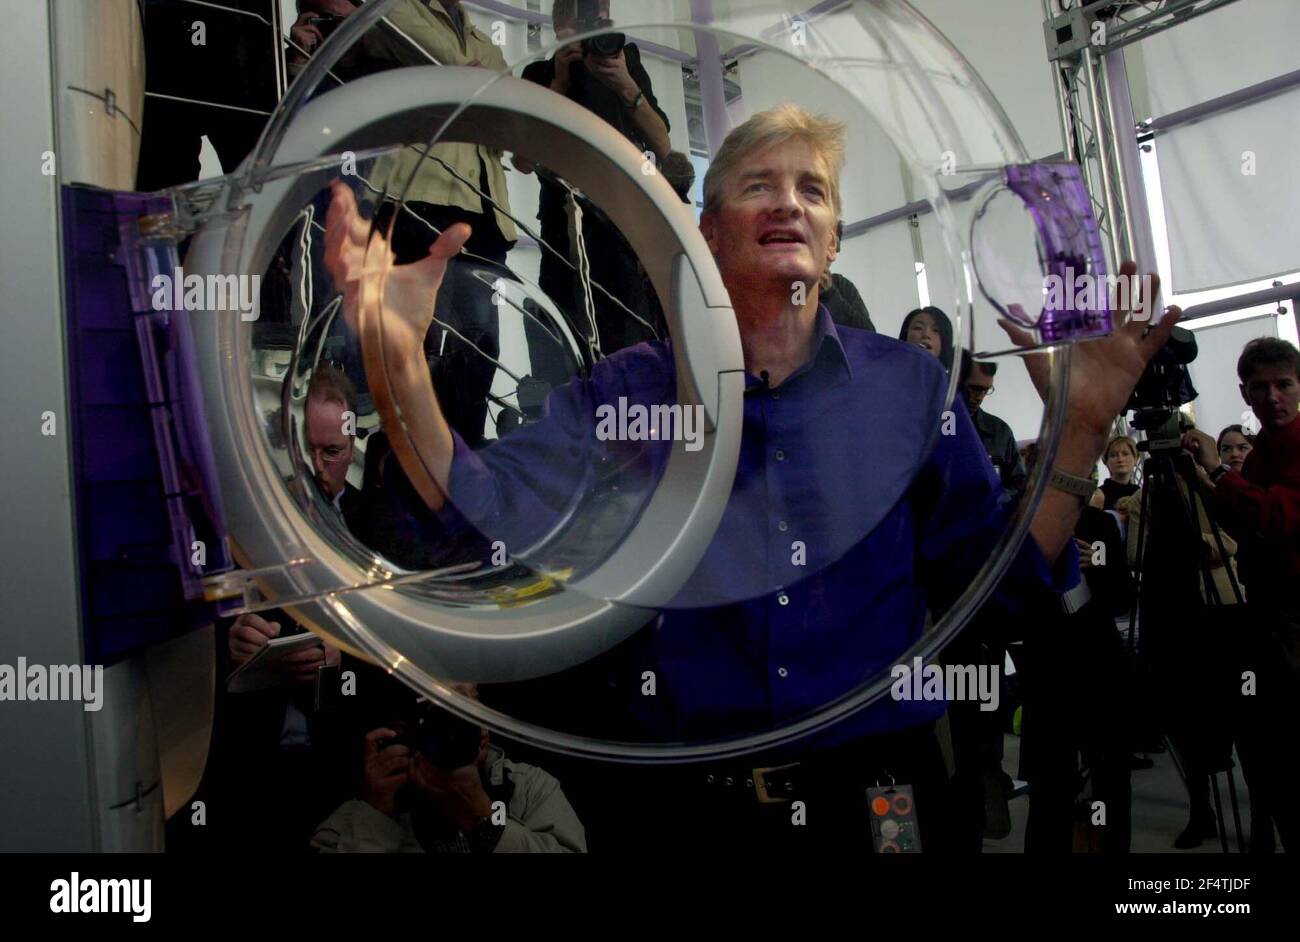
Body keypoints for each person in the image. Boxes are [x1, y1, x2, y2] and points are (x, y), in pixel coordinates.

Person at [321, 102, 1180, 850]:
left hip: (882, 800)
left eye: (813, 191)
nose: (790, 204)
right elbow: (483, 522)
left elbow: (1000, 594)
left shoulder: (909, 390)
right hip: (693, 814)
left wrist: (1080, 430)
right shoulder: (627, 393)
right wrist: (400, 371)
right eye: (759, 185)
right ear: (706, 231)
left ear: (835, 239)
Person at [1181, 337, 1300, 851]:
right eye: (1260, 387)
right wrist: (1208, 483)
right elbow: (1244, 523)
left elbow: (1280, 518)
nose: (1272, 395)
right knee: (1266, 745)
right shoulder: (1261, 453)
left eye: (1283, 384)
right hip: (1265, 611)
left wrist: (1220, 472)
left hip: (1295, 616)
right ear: (1244, 393)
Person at [518, 0, 672, 354]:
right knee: (565, 336)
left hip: (627, 229)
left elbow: (663, 144)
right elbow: (523, 159)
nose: (591, 30)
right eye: (581, 20)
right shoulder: (541, 76)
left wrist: (625, 86)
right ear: (559, 28)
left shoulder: (625, 64)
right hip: (566, 230)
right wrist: (559, 81)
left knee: (633, 338)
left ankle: (629, 408)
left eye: (598, 20)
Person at [312, 685, 586, 853]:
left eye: (463, 707)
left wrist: (484, 817)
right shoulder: (361, 815)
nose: (452, 731)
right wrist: (376, 817)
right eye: (437, 718)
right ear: (401, 731)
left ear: (485, 727)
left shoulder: (526, 788)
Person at [960, 351, 1027, 501]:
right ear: (956, 381)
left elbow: (1019, 485)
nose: (979, 398)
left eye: (985, 390)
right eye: (974, 388)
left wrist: (996, 499)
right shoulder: (934, 424)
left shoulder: (1001, 432)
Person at [899, 305, 955, 374]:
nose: (926, 334)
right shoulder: (889, 376)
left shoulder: (951, 383)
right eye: (918, 328)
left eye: (935, 330)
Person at [1093, 435, 1141, 511]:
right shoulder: (1099, 495)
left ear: (1135, 458)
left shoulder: (1140, 493)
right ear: (1106, 462)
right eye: (1113, 455)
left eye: (1125, 454)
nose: (1120, 459)